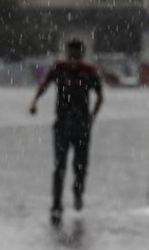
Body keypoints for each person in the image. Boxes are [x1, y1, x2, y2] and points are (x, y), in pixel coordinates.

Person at [29, 38, 104, 226]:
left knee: (80, 166)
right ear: (66, 54)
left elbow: (100, 96)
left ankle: (78, 193)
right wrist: (35, 101)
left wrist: (92, 117)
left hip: (81, 125)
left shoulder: (89, 71)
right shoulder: (59, 68)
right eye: (71, 55)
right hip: (62, 124)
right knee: (59, 167)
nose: (73, 60)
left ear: (82, 55)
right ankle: (56, 205)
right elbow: (45, 85)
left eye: (77, 56)